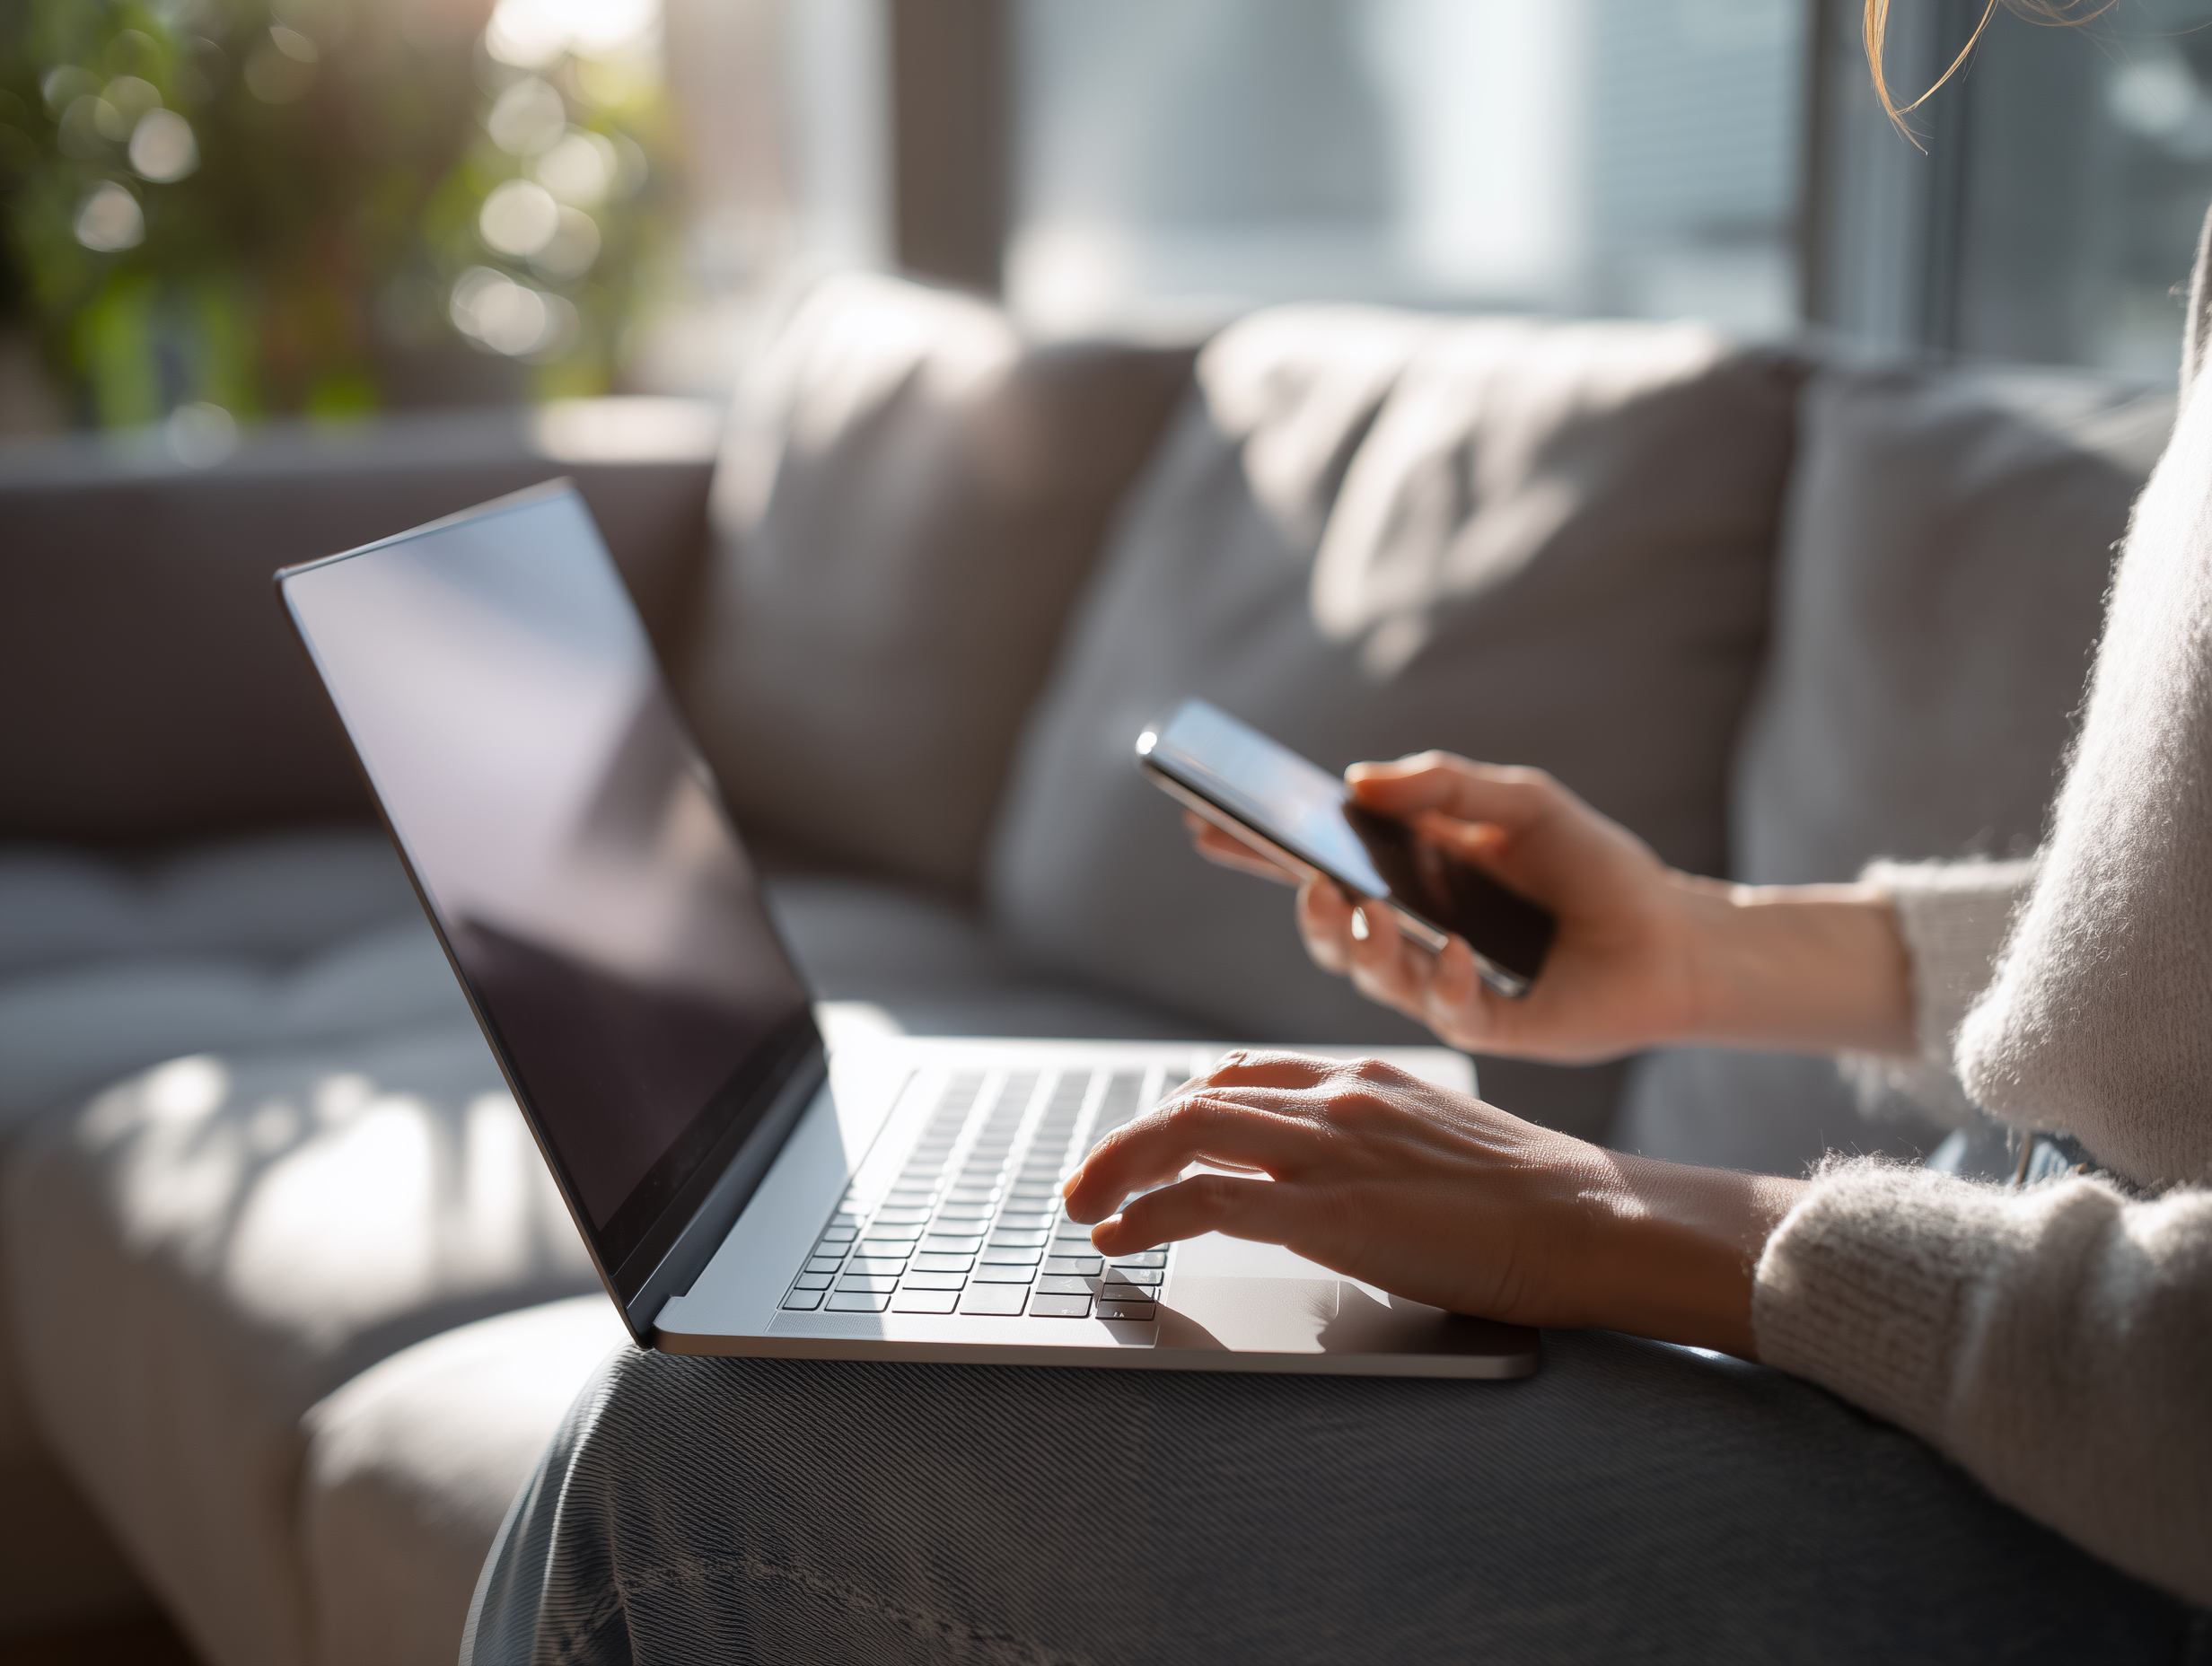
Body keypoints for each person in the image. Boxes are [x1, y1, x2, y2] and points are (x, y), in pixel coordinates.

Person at [461, 7, 2211, 1659]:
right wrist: (1707, 945)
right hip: (2031, 1351)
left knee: (678, 1474)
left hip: (2111, 1538)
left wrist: (1614, 1210)